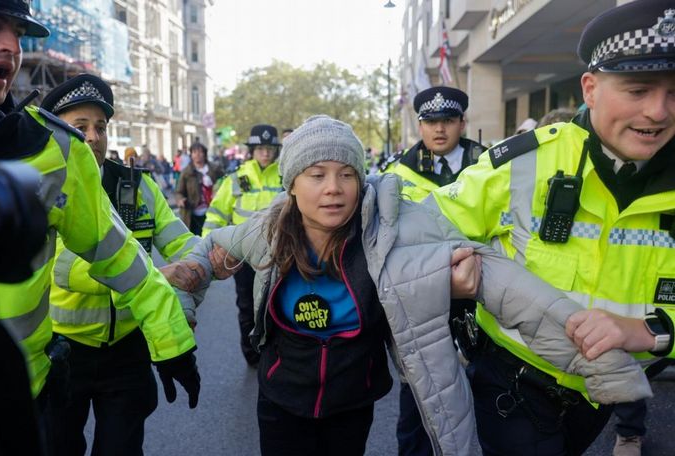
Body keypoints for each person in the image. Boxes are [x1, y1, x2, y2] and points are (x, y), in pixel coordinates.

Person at [182, 114, 649, 456]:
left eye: (346, 174)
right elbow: (205, 251)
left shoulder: (398, 228)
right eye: (316, 175)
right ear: (292, 185)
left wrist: (604, 363)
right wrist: (186, 286)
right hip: (280, 399)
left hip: (352, 402)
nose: (333, 188)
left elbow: (508, 285)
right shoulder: (266, 230)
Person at [0, 3, 199, 454]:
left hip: (13, 414)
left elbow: (117, 254)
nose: (12, 45)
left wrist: (171, 339)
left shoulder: (56, 149)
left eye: (18, 30)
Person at [423, 1, 675, 454]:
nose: (658, 112)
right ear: (591, 89)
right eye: (638, 90)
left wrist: (647, 332)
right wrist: (447, 278)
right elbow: (423, 232)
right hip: (512, 385)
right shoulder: (524, 163)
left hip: (606, 391)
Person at [40, 74, 208, 456]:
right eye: (79, 127)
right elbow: (65, 270)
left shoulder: (139, 187)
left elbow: (180, 240)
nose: (93, 137)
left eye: (100, 126)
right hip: (64, 349)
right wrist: (155, 276)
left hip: (127, 352)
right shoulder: (46, 187)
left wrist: (208, 259)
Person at [381, 86, 484, 456]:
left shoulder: (490, 165)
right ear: (420, 125)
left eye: (448, 121)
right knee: (420, 404)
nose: (439, 129)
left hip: (482, 295)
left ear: (462, 122)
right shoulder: (396, 173)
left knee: (485, 400)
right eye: (430, 122)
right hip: (422, 299)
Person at [202, 124, 283, 366]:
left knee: (277, 304)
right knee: (247, 305)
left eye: (269, 148)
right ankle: (252, 354)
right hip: (245, 254)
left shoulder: (286, 176)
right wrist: (208, 247)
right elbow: (216, 213)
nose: (265, 153)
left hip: (279, 253)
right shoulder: (237, 178)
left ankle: (276, 351)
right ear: (252, 150)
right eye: (260, 149)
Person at [176, 141, 224, 235]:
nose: (197, 155)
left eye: (200, 152)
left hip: (212, 211)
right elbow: (179, 191)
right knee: (196, 241)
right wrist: (180, 200)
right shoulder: (186, 172)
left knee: (212, 239)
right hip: (193, 214)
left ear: (205, 154)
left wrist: (216, 189)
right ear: (191, 155)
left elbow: (225, 182)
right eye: (194, 152)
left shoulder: (215, 169)